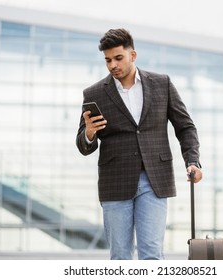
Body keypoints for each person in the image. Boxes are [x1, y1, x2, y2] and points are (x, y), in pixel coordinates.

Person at [76, 28, 203, 260]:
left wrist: (192, 161)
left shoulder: (161, 84)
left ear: (132, 55)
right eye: (107, 60)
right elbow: (83, 145)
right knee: (120, 257)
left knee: (152, 255)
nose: (112, 65)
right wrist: (90, 134)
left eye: (118, 58)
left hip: (154, 180)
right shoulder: (94, 94)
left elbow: (185, 127)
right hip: (115, 182)